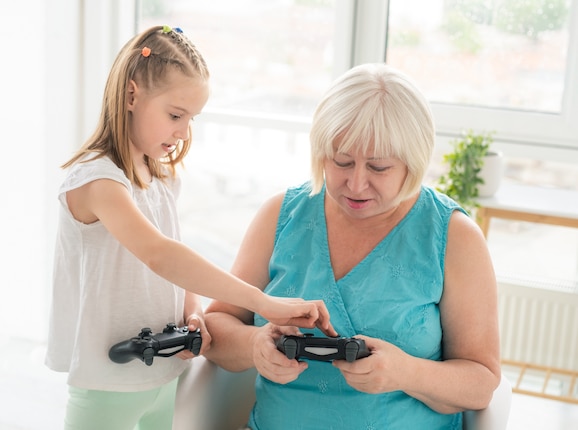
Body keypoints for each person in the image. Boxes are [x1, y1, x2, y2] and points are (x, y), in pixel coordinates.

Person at [44, 25, 334, 430]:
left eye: (190, 118)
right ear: (132, 96)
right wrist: (262, 303)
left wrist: (191, 308)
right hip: (108, 381)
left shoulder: (161, 178)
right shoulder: (98, 182)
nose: (183, 131)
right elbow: (159, 254)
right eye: (175, 115)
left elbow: (174, 258)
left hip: (163, 374)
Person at [204, 63, 501, 429]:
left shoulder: (455, 237)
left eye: (378, 168)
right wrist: (255, 344)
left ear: (413, 163)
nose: (356, 184)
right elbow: (215, 326)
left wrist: (405, 373)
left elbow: (481, 384)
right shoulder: (280, 216)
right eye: (341, 161)